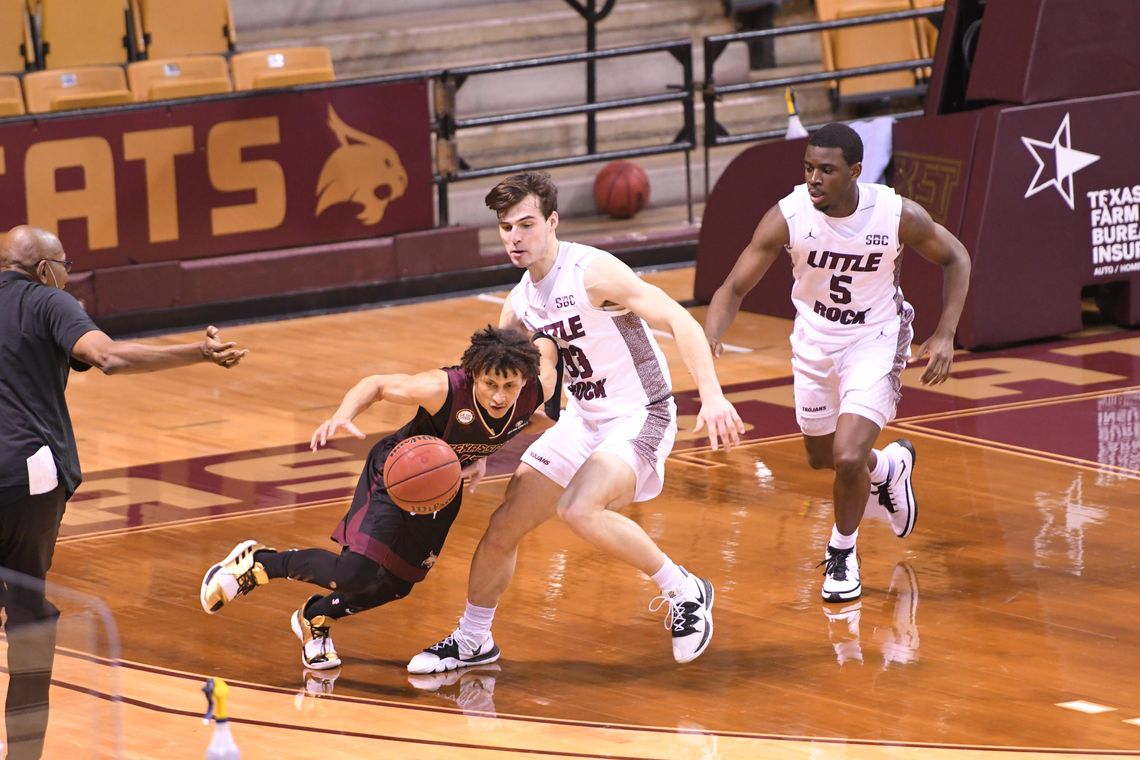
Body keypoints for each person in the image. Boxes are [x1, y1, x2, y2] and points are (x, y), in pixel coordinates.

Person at [407, 170, 745, 675]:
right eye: (506, 228)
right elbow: (499, 387)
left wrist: (713, 396)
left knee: (579, 508)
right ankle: (474, 639)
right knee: (503, 526)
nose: (515, 238)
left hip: (640, 413)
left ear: (552, 221)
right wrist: (476, 449)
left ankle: (684, 590)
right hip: (584, 420)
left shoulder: (592, 272)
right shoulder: (519, 303)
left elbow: (682, 321)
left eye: (526, 224)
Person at [0, 225, 248, 759]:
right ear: (45, 270)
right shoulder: (48, 301)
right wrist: (197, 354)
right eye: (66, 266)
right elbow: (108, 357)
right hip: (28, 481)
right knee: (27, 619)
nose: (69, 278)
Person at [703, 122, 971, 603]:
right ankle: (888, 469)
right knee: (823, 458)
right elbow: (733, 287)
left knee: (847, 456)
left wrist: (946, 333)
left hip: (875, 339)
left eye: (826, 170)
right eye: (808, 168)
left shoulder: (893, 214)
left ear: (855, 172)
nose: (813, 179)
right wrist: (711, 336)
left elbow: (957, 258)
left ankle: (843, 553)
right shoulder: (788, 216)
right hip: (813, 342)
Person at [199, 326, 561, 674]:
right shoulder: (441, 388)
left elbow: (533, 407)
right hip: (397, 473)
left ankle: (317, 617)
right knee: (354, 572)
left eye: (509, 386)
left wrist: (482, 450)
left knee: (397, 584)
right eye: (490, 385)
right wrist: (343, 415)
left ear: (525, 381)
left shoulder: (535, 390)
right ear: (473, 375)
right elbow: (376, 384)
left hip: (442, 486)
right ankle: (259, 563)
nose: (499, 396)